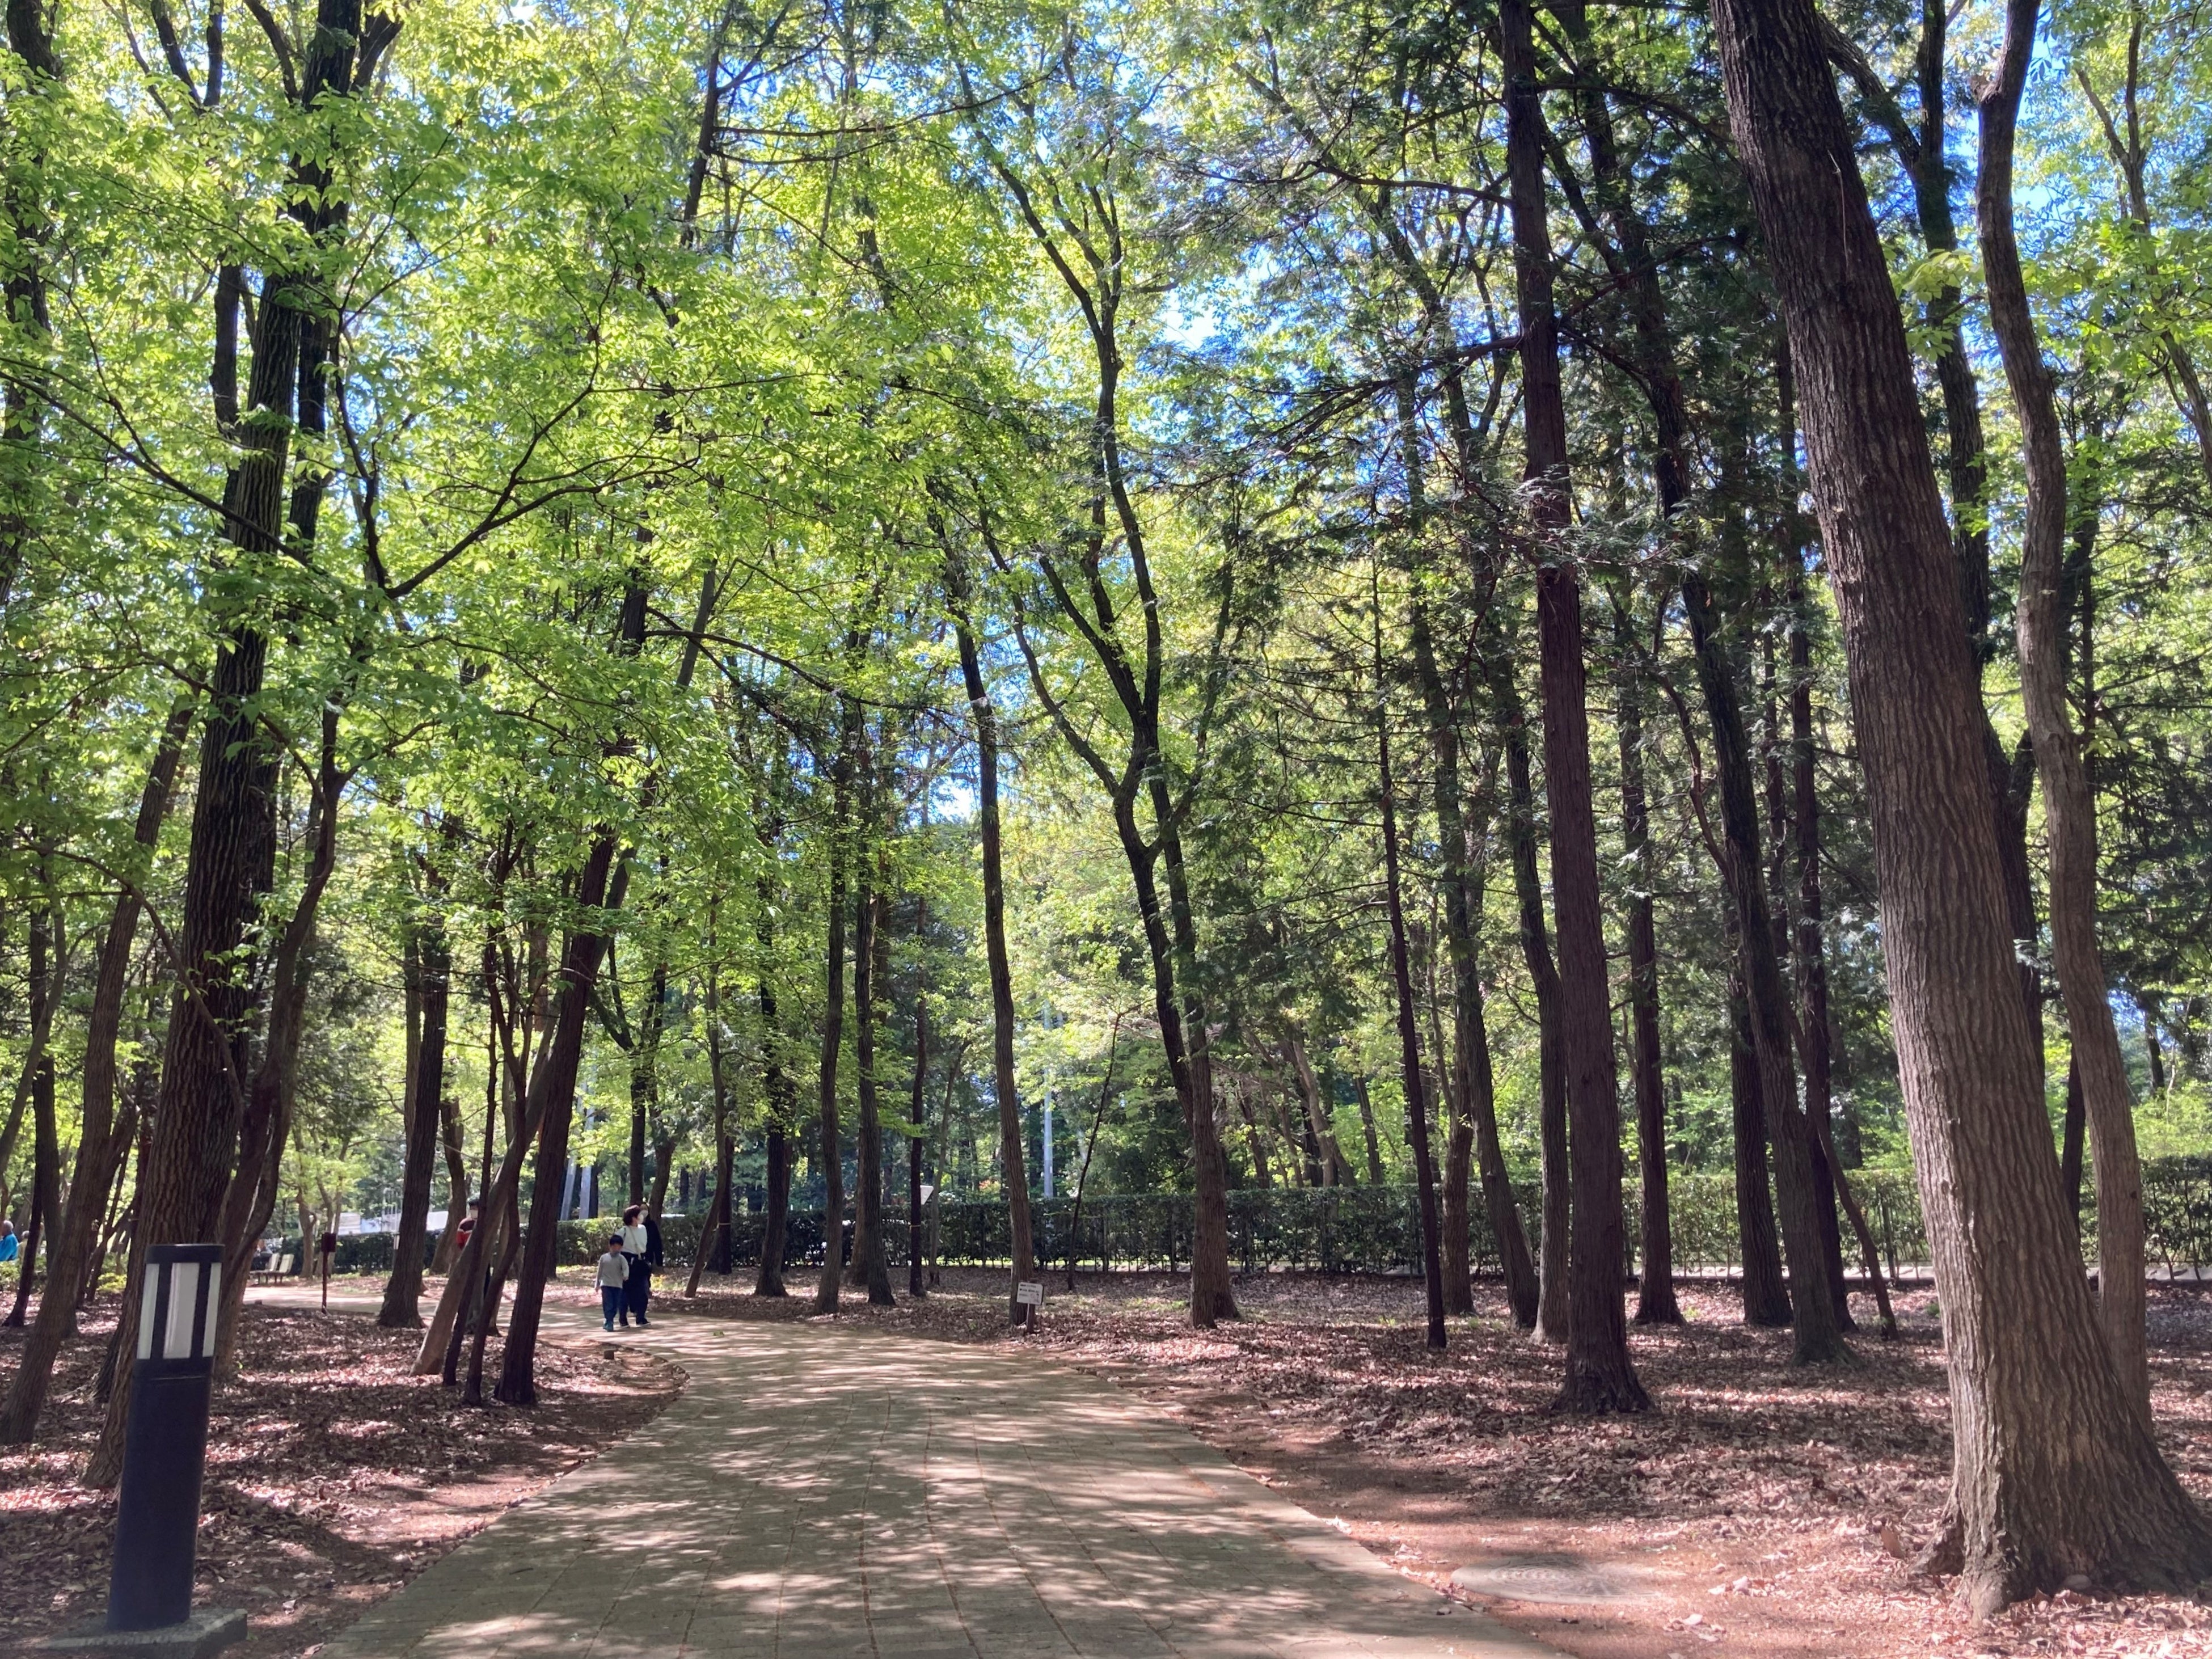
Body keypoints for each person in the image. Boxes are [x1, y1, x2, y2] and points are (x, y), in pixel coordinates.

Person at [619, 1204, 651, 1327]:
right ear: (633, 1218)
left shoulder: (643, 1229)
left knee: (643, 1290)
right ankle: (623, 1318)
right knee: (626, 1291)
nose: (641, 1217)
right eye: (639, 1215)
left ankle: (641, 1317)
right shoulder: (623, 1231)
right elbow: (614, 1245)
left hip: (640, 1261)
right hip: (627, 1262)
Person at [596, 1234, 629, 1332]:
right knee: (608, 1304)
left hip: (618, 1285)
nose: (616, 1248)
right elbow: (600, 1271)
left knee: (615, 1305)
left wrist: (625, 1275)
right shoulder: (604, 1258)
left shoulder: (621, 1259)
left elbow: (626, 1268)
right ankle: (609, 1322)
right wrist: (597, 1284)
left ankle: (609, 1320)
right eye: (614, 1246)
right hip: (606, 1284)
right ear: (610, 1246)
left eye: (619, 1246)